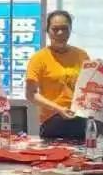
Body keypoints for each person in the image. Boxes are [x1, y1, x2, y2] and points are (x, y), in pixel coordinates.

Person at [25, 10, 90, 140]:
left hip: (81, 119)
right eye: (55, 29)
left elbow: (91, 86)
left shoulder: (82, 55)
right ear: (47, 31)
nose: (60, 33)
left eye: (64, 29)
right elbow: (31, 94)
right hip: (52, 122)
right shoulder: (39, 58)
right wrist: (59, 109)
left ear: (70, 30)